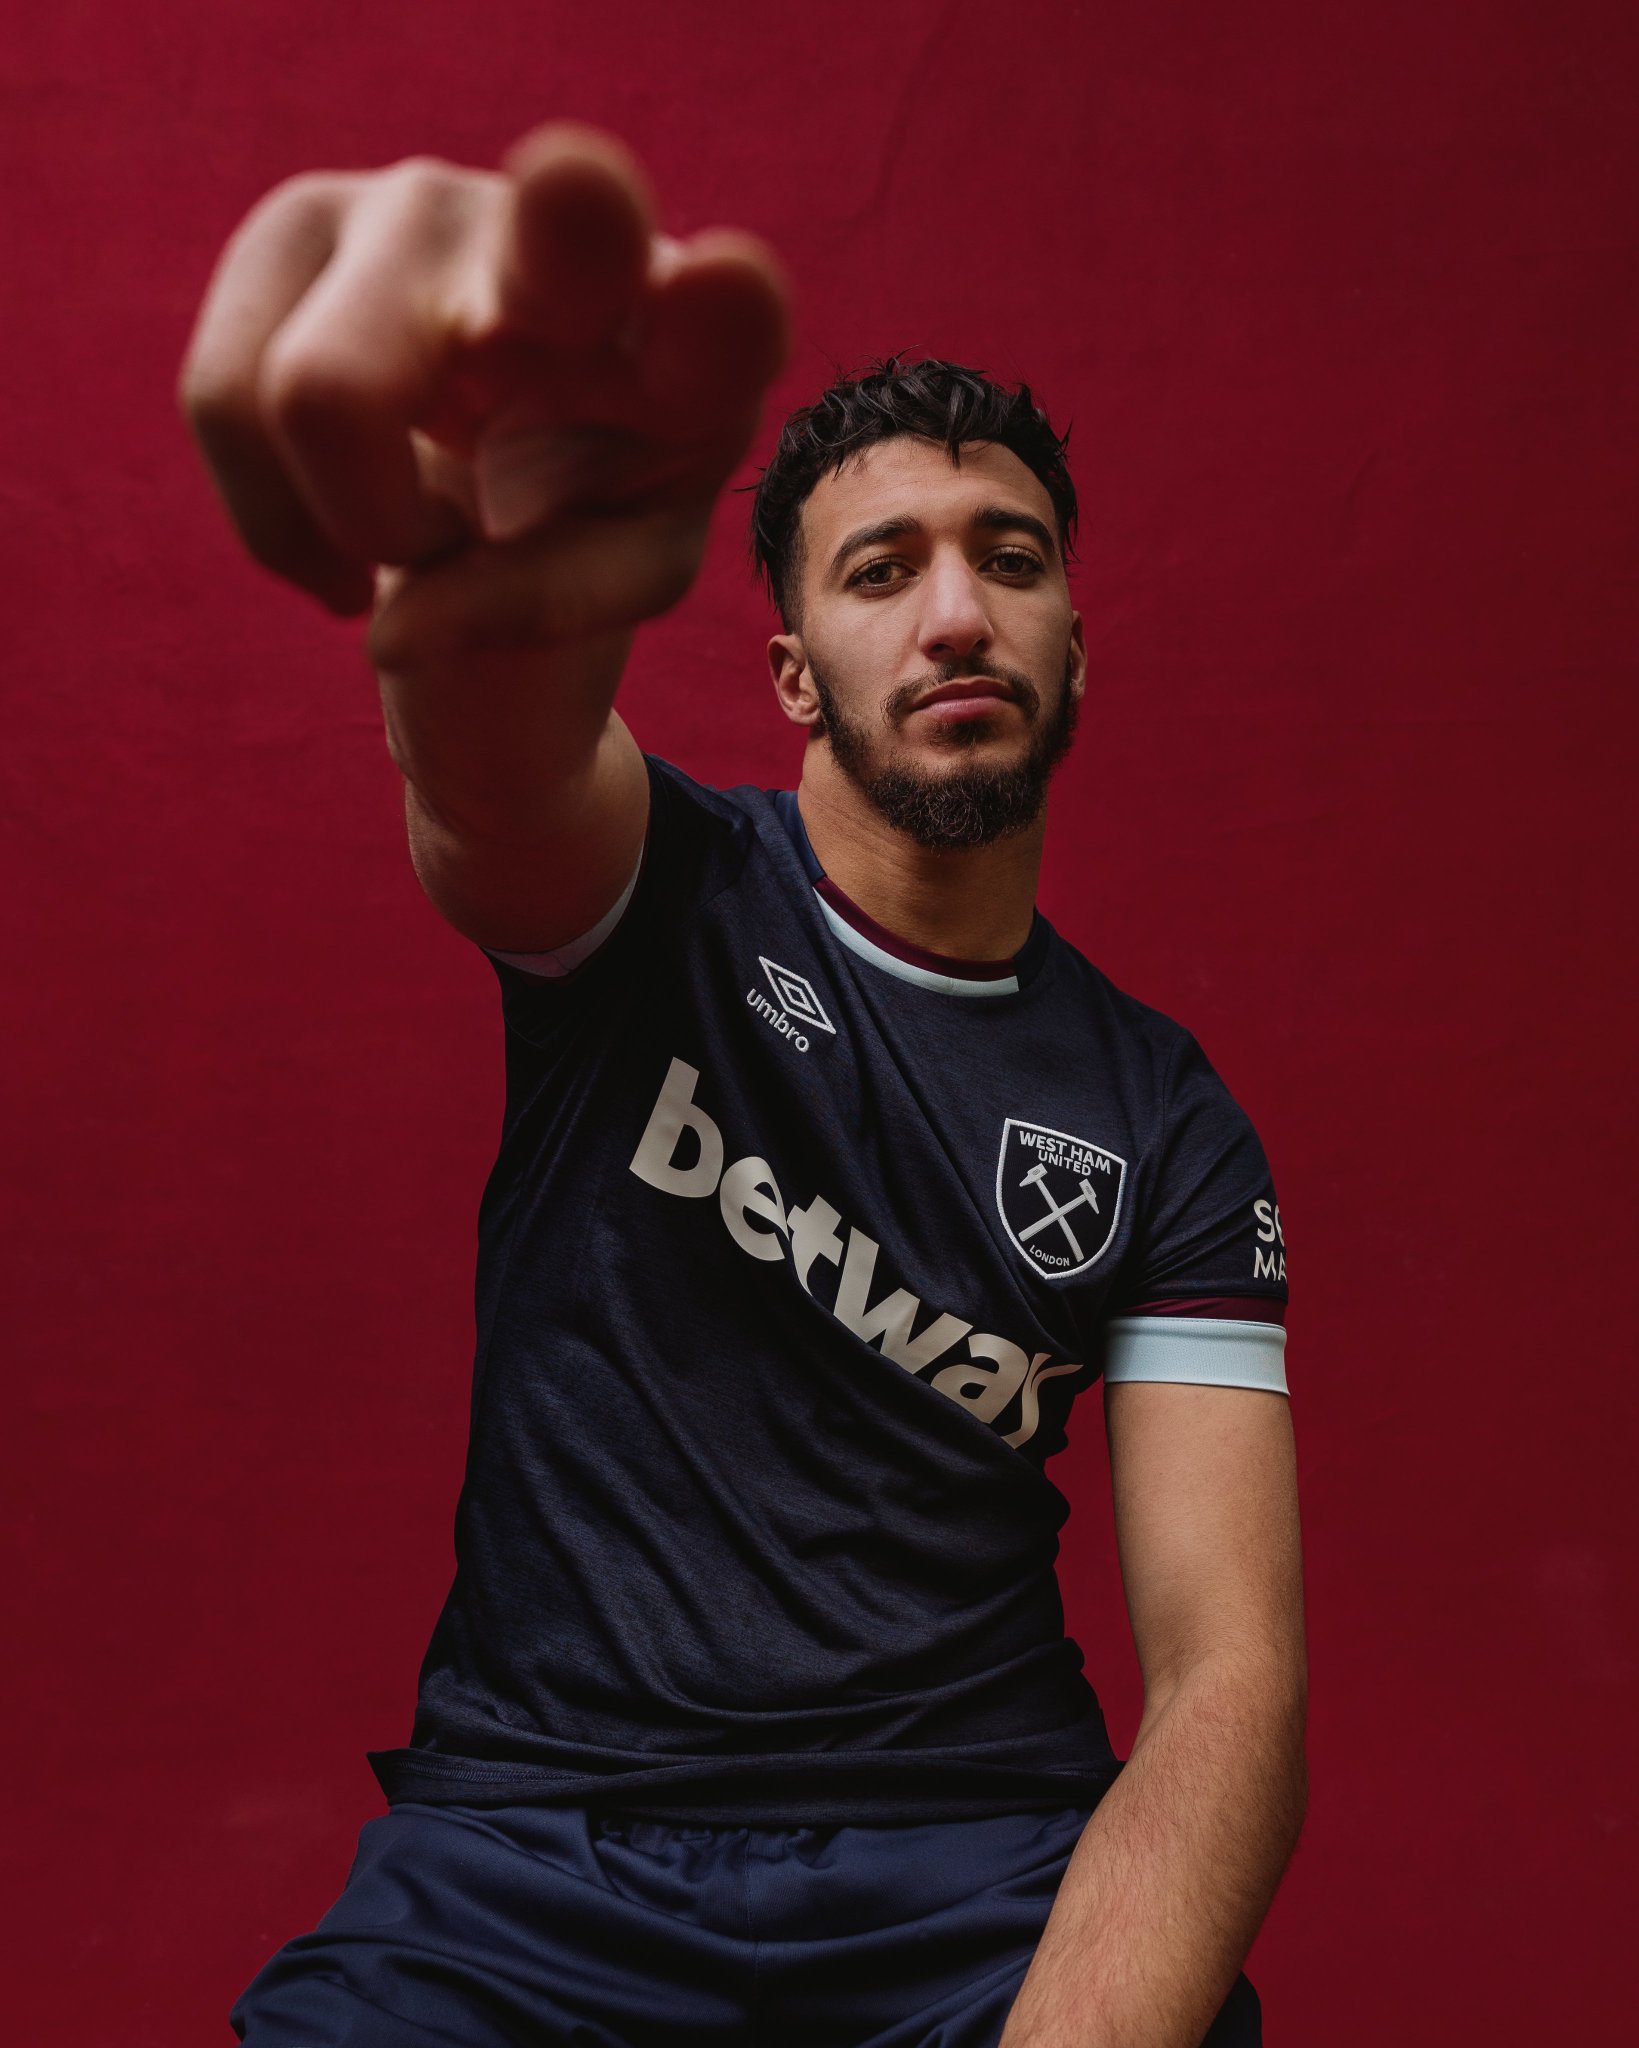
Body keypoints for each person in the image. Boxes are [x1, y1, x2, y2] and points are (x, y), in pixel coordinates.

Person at [178, 120, 1307, 2048]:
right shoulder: (657, 895)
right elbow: (501, 777)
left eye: (1009, 560)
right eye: (883, 569)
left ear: (1074, 651)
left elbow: (1229, 1683)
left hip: (975, 1877)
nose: (955, 612)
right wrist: (491, 602)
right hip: (538, 1862)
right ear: (793, 673)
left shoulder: (1163, 1117)